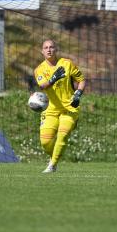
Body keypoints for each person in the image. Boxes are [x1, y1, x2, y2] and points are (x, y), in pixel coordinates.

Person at [33, 39, 86, 173]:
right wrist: (53, 78)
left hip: (70, 108)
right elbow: (42, 85)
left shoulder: (67, 64)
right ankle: (54, 157)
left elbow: (81, 80)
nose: (49, 50)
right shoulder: (39, 69)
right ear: (42, 51)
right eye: (46, 48)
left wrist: (78, 94)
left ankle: (52, 165)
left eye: (51, 47)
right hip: (50, 109)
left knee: (63, 135)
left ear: (56, 49)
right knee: (45, 142)